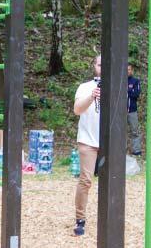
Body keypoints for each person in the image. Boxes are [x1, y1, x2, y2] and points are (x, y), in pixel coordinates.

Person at [73, 55, 101, 236]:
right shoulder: (85, 87)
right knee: (86, 180)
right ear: (94, 66)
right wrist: (92, 97)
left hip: (108, 141)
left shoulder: (116, 86)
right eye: (100, 64)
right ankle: (80, 219)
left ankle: (111, 215)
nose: (102, 68)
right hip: (88, 140)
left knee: (112, 180)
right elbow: (77, 110)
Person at [127, 63, 141, 155]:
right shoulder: (120, 81)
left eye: (129, 69)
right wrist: (129, 90)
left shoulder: (135, 81)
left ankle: (136, 150)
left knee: (135, 131)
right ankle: (120, 150)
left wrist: (127, 91)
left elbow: (136, 94)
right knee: (119, 131)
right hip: (120, 111)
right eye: (126, 69)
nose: (127, 71)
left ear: (132, 71)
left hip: (132, 111)